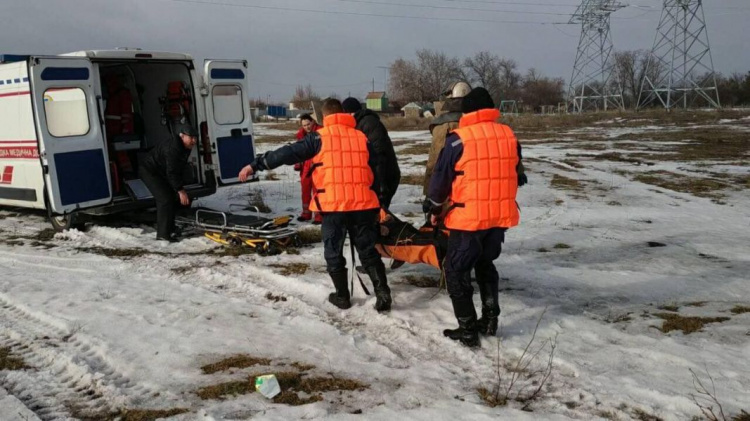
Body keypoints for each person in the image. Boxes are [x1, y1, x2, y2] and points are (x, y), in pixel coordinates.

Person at [238, 99, 392, 312]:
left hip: (333, 206)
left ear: (324, 117)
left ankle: (342, 296)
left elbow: (287, 153)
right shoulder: (362, 138)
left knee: (333, 252)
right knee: (368, 252)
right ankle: (383, 294)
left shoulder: (319, 138)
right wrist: (378, 199)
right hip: (363, 204)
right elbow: (376, 169)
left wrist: (257, 164)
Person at [426, 87, 522, 347]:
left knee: (455, 271)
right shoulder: (508, 136)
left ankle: (467, 329)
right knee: (485, 263)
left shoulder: (458, 139)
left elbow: (440, 181)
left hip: (469, 218)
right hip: (499, 218)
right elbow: (518, 173)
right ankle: (490, 320)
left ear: (466, 111)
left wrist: (433, 208)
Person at [139, 124, 197, 242]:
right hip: (149, 170)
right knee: (164, 199)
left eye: (195, 137)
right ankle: (163, 235)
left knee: (171, 197)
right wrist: (181, 190)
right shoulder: (173, 148)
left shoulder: (185, 146)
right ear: (182, 136)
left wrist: (179, 187)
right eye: (191, 137)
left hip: (162, 171)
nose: (194, 141)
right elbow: (172, 172)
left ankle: (170, 228)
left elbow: (176, 169)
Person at [341, 97, 400, 210]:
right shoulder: (359, 123)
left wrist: (381, 184)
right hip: (375, 177)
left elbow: (379, 154)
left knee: (378, 213)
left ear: (350, 112)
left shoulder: (369, 123)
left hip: (384, 175)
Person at [422, 81, 471, 195]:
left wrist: (430, 193)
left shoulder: (444, 126)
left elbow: (435, 162)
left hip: (452, 188)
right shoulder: (481, 122)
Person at [293, 114, 322, 224]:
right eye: (304, 125)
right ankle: (306, 213)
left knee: (317, 191)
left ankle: (319, 216)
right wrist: (297, 164)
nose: (307, 127)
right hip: (305, 165)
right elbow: (297, 150)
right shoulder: (301, 135)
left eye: (308, 124)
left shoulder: (320, 132)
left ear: (313, 122)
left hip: (317, 165)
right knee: (305, 190)